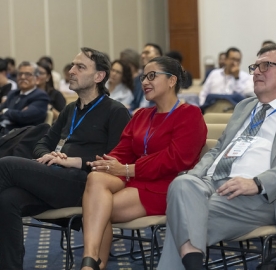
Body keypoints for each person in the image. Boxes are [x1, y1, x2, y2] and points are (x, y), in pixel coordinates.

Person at [157, 44, 276, 270]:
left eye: (266, 66)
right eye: (254, 67)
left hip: (265, 195)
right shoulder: (244, 106)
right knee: (183, 184)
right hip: (213, 183)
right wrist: (196, 178)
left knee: (183, 218)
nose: (256, 72)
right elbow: (218, 149)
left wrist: (258, 183)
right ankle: (193, 261)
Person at [0, 47, 131, 269]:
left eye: (80, 67)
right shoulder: (70, 109)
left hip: (85, 184)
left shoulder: (115, 111)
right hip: (54, 178)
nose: (71, 71)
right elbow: (42, 143)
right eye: (72, 66)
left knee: (6, 165)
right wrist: (48, 155)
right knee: (7, 200)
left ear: (99, 76)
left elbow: (115, 159)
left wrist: (74, 161)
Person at [80, 56, 207, 270]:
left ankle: (92, 264)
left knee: (96, 210)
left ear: (171, 80)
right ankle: (91, 263)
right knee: (96, 178)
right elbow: (123, 151)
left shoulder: (189, 114)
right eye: (142, 77)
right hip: (135, 178)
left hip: (167, 186)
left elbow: (175, 159)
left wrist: (128, 169)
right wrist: (106, 163)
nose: (144, 82)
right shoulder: (142, 115)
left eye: (151, 76)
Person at [0, 61, 49, 135]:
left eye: (27, 74)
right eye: (20, 74)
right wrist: (12, 114)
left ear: (37, 79)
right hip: (4, 131)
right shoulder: (13, 93)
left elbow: (24, 117)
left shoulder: (40, 96)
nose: (22, 77)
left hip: (21, 137)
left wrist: (6, 111)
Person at [130, 43, 163, 112]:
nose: (142, 56)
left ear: (158, 56)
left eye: (147, 53)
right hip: (137, 115)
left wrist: (144, 111)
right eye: (142, 53)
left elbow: (164, 103)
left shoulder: (164, 78)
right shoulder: (138, 79)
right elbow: (135, 102)